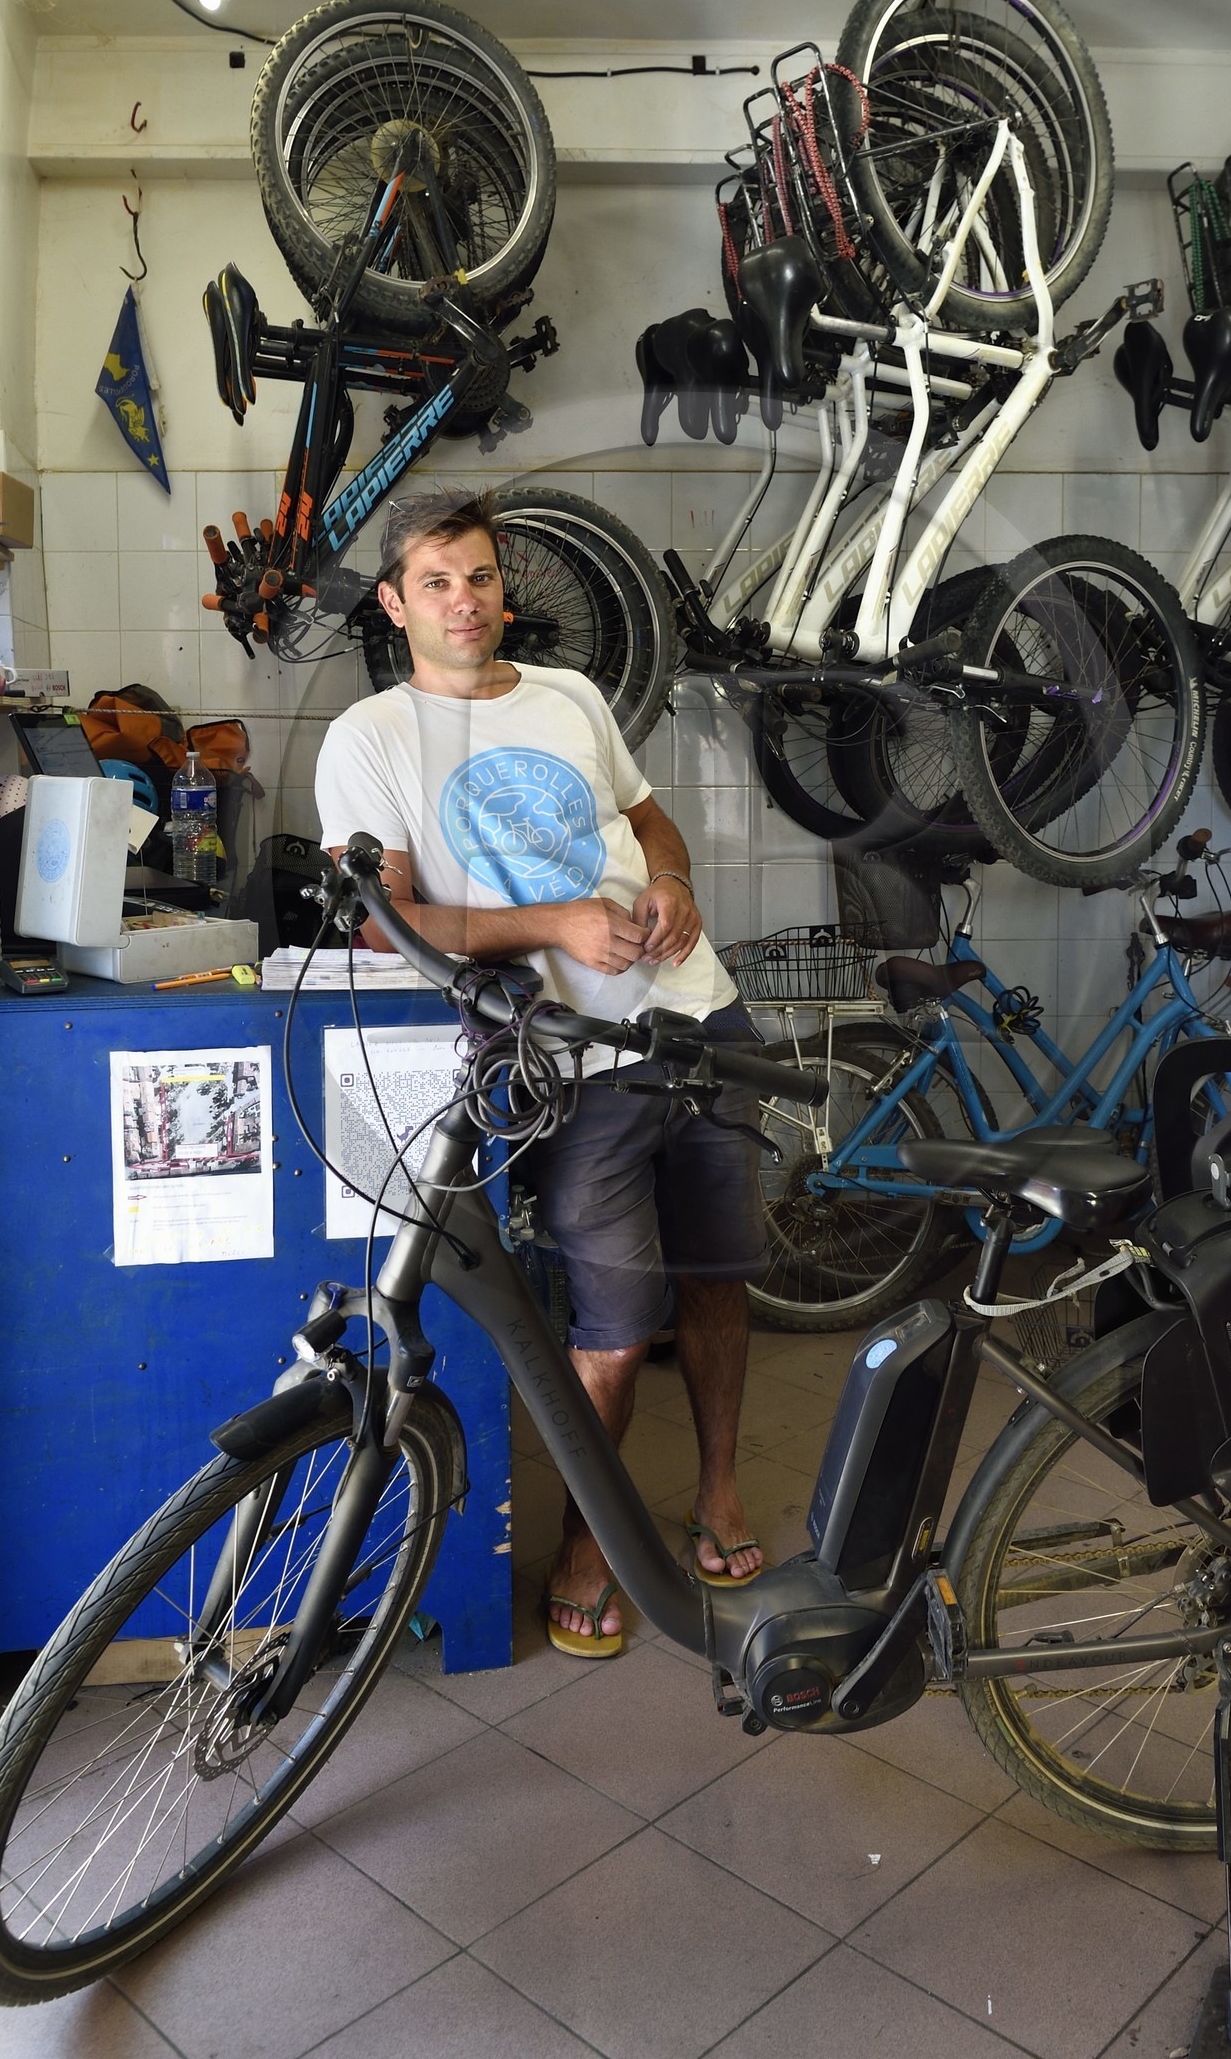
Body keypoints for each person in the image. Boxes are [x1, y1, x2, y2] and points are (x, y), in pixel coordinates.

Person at [315, 484, 767, 1659]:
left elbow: (650, 820)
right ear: (394, 603)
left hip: (699, 1013)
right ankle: (588, 1546)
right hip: (574, 1056)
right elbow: (390, 923)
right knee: (612, 1328)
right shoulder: (372, 738)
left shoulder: (569, 694)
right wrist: (559, 924)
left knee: (721, 1277)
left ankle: (716, 1493)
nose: (464, 602)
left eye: (479, 577)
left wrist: (671, 884)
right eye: (437, 583)